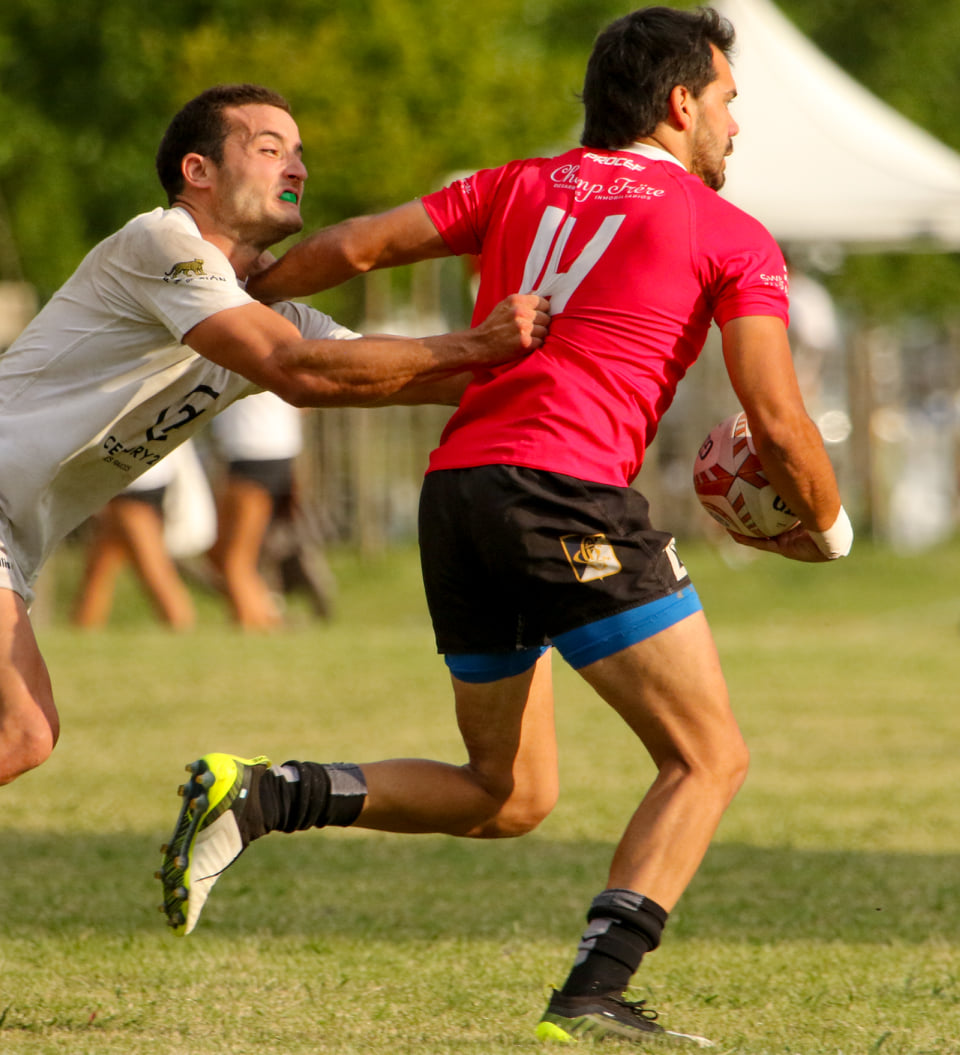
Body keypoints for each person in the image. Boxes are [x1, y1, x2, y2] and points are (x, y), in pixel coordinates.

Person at [0, 83, 549, 1026]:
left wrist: (568, 370)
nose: (298, 164)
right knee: (19, 729)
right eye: (269, 145)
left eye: (299, 150)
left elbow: (375, 375)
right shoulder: (161, 243)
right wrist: (473, 340)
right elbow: (297, 371)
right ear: (197, 172)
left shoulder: (270, 313)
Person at [161, 10, 849, 1047]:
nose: (733, 127)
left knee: (507, 791)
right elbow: (779, 419)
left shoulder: (517, 182)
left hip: (461, 492)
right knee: (707, 757)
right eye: (727, 102)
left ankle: (262, 796)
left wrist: (243, 283)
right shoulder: (728, 233)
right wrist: (830, 527)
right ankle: (593, 994)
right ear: (677, 105)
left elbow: (351, 246)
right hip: (564, 493)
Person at [206, 391, 318, 628]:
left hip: (255, 454)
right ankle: (267, 617)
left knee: (234, 560)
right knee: (218, 552)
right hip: (262, 454)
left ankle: (255, 628)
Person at [71, 440, 204, 632]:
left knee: (154, 569)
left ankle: (182, 629)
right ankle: (82, 631)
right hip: (127, 471)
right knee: (100, 565)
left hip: (134, 478)